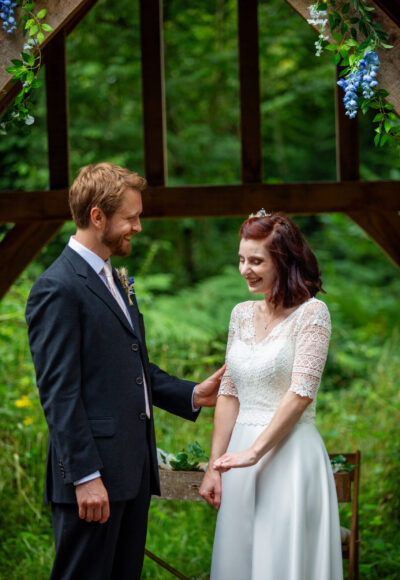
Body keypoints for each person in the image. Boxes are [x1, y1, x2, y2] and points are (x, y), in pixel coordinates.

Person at [25, 162, 225, 580]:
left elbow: (130, 366)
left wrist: (192, 393)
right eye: (130, 217)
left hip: (129, 474)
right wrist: (85, 476)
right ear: (97, 216)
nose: (137, 226)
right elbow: (59, 392)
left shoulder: (112, 280)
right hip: (93, 478)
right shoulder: (57, 287)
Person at [199, 210, 343, 580]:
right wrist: (216, 467)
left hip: (289, 455)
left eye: (257, 261)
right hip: (239, 460)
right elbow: (229, 393)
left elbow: (301, 392)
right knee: (240, 561)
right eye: (242, 260)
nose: (245, 269)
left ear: (283, 261)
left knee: (282, 560)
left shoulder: (313, 313)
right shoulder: (241, 314)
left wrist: (254, 451)